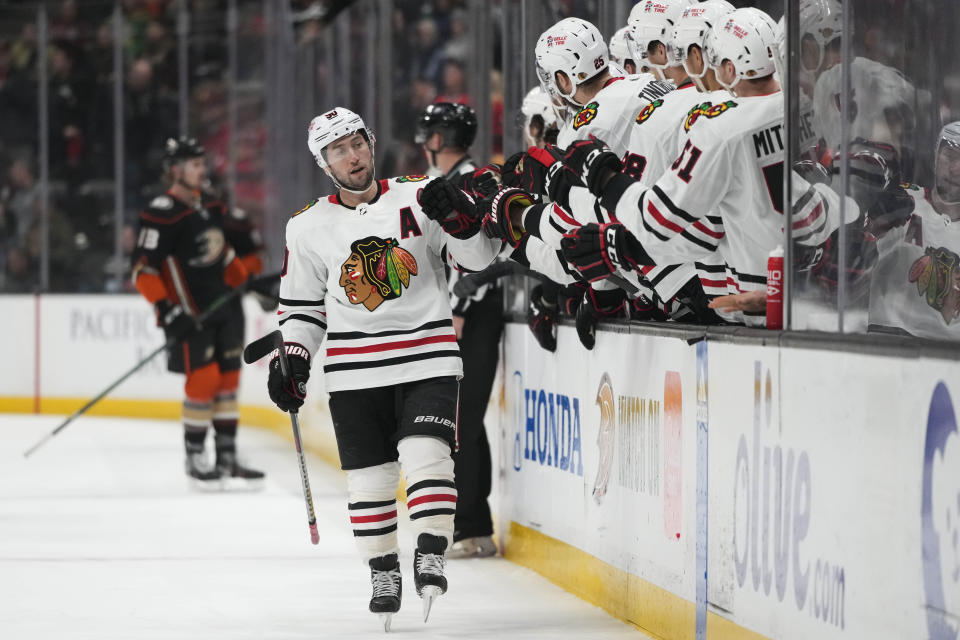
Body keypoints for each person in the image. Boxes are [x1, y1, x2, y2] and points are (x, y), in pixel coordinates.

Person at [268, 107, 500, 628]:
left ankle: (432, 550)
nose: (352, 156)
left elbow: (480, 260)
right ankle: (382, 569)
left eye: (357, 143)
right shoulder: (306, 226)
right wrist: (295, 358)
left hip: (428, 358)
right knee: (369, 484)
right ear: (323, 163)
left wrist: (461, 222)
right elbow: (301, 309)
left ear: (371, 143)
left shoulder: (422, 194)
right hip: (355, 373)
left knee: (427, 456)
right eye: (338, 150)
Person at [130, 136, 265, 487]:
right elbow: (143, 270)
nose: (201, 170)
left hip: (225, 308)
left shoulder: (211, 206)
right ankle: (195, 456)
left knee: (228, 381)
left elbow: (223, 255)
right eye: (194, 164)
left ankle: (227, 456)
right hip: (190, 314)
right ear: (175, 170)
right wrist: (166, 310)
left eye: (202, 164)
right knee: (203, 381)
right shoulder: (160, 213)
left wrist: (246, 281)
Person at [415, 102, 499, 559]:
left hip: (475, 314)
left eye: (428, 134)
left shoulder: (475, 182)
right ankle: (469, 524)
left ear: (438, 139)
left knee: (462, 420)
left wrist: (461, 303)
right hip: (459, 312)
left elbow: (491, 252)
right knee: (460, 420)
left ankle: (471, 527)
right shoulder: (450, 183)